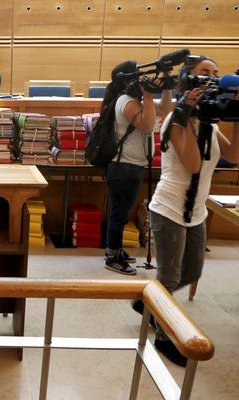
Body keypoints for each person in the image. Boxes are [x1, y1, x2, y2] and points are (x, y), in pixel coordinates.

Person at [136, 55, 239, 366]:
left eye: (216, 73)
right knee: (169, 276)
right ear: (187, 80)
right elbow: (194, 165)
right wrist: (183, 114)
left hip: (196, 212)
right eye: (204, 73)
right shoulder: (176, 121)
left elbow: (233, 157)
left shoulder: (208, 122)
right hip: (168, 209)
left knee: (192, 272)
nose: (212, 79)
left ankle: (148, 301)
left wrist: (236, 118)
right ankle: (164, 338)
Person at [102, 60, 173, 275]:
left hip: (132, 165)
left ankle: (116, 249)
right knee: (119, 214)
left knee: (122, 211)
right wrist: (149, 96)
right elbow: (149, 124)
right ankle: (112, 256)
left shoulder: (136, 100)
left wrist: (167, 85)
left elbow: (166, 109)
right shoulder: (125, 101)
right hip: (123, 166)